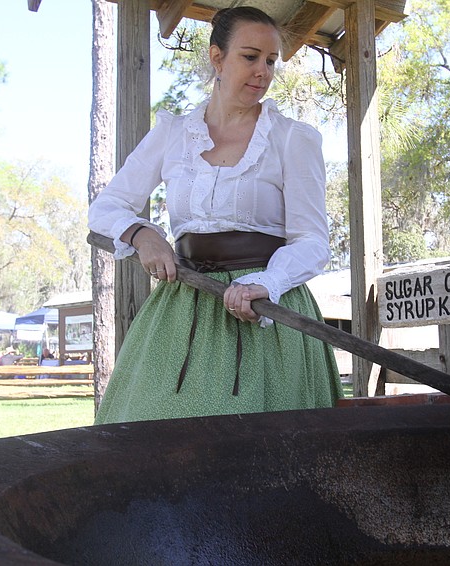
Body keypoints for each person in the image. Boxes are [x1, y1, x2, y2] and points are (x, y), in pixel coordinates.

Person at [88, 6, 343, 424]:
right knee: (156, 441)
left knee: (265, 451)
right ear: (217, 57)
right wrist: (141, 234)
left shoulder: (292, 139)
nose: (262, 71)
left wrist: (267, 282)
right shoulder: (172, 134)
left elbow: (312, 241)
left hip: (265, 312)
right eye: (250, 56)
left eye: (270, 60)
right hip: (183, 309)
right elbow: (106, 207)